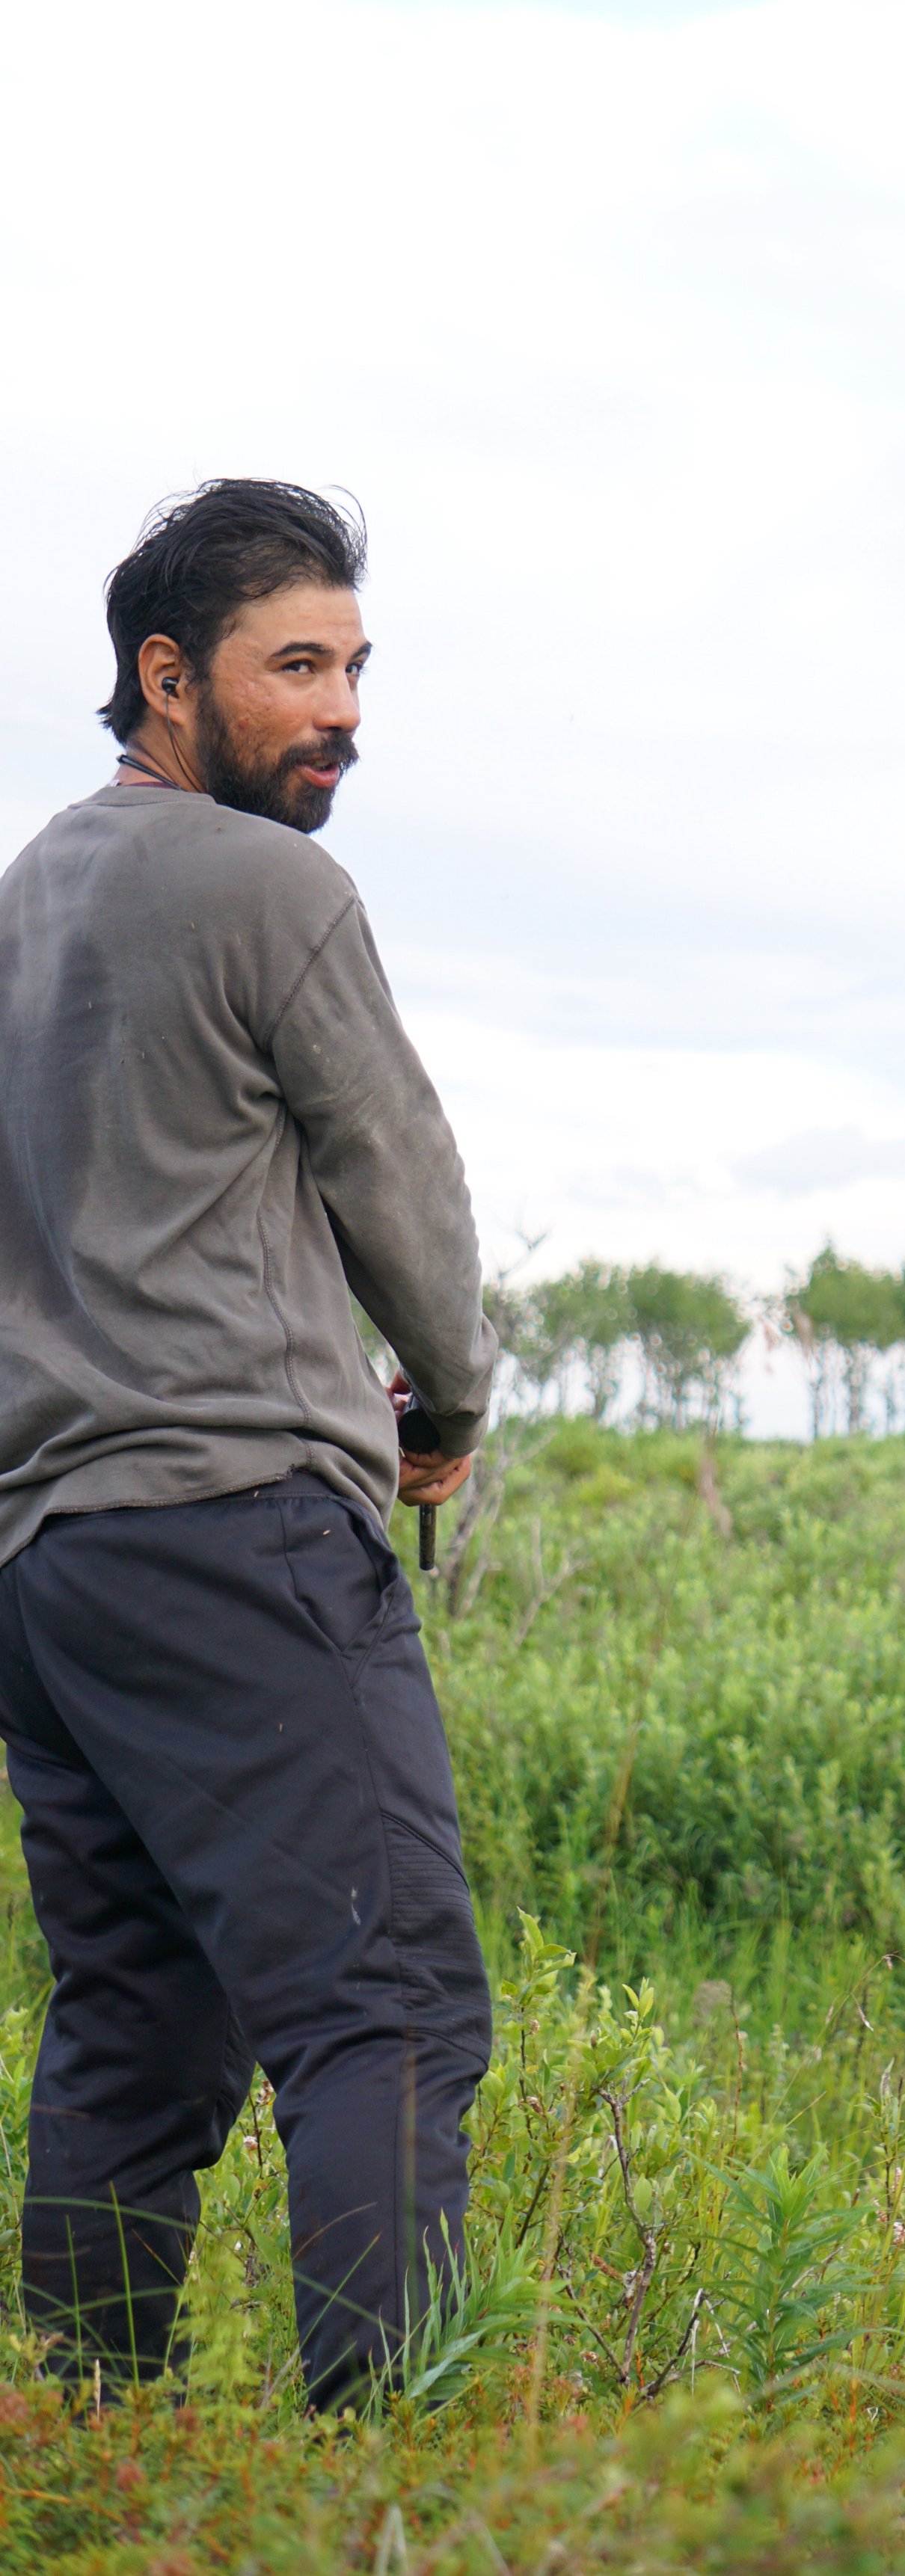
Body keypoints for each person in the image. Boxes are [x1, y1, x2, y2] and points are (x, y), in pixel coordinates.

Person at [0, 479, 500, 2409]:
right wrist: (447, 1402)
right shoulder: (273, 892)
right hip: (240, 1525)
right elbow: (400, 1182)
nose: (341, 712)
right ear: (166, 675)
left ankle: (87, 2451)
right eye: (295, 667)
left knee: (132, 2032)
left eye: (355, 668)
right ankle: (392, 2492)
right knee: (388, 2010)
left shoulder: (23, 903)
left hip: (49, 1570)